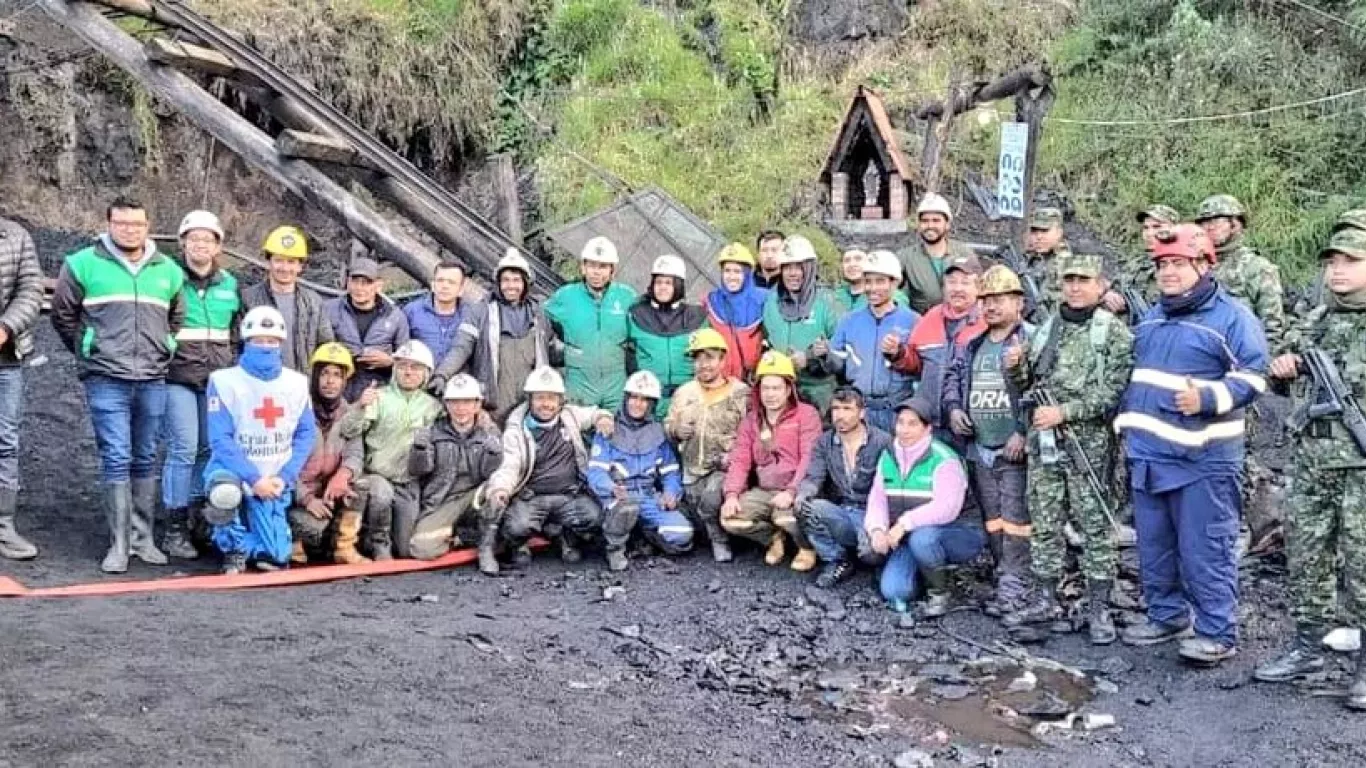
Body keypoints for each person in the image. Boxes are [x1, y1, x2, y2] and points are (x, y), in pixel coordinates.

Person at [1114, 224, 1268, 665]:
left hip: (1203, 461)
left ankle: (1217, 632)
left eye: (1178, 264)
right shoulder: (1152, 318)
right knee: (1154, 546)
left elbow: (1254, 376)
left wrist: (1207, 398)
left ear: (1204, 265)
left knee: (1205, 549)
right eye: (1162, 265)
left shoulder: (1232, 318)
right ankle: (1167, 616)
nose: (1168, 272)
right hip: (1149, 457)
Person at [1255, 228, 1366, 710]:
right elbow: (1281, 383)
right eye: (1332, 262)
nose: (1337, 270)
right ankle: (1307, 647)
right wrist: (1284, 369)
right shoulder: (1317, 318)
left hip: (1359, 464)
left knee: (1362, 564)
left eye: (1350, 261)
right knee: (1306, 556)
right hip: (1312, 460)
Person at [1003, 254, 1134, 645]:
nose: (1075, 288)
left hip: (1089, 447)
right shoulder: (1047, 328)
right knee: (1045, 521)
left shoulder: (1113, 333)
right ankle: (1045, 599)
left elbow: (1113, 393)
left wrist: (1064, 412)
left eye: (1084, 280)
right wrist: (1015, 366)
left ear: (1100, 285)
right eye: (1069, 280)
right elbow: (1028, 384)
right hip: (1044, 445)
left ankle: (1099, 608)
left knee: (1096, 527)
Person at [51, 196, 186, 573]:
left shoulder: (168, 270)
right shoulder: (82, 264)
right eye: (122, 223)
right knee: (116, 455)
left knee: (145, 455)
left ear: (148, 226)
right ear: (109, 224)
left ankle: (143, 539)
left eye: (137, 224)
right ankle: (119, 545)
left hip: (152, 377)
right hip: (106, 378)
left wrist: (165, 346)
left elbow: (176, 317)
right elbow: (62, 314)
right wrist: (88, 349)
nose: (130, 230)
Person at [1194, 194, 1287, 552]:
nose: (1208, 228)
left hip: (1240, 375)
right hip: (1200, 374)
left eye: (1216, 221)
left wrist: (1258, 375)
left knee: (1239, 454)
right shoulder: (1199, 265)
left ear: (1236, 224)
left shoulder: (1257, 269)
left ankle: (1246, 524)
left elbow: (1272, 327)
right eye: (1204, 222)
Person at [941, 265, 1032, 618]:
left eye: (1000, 299)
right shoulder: (973, 344)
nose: (991, 306)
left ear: (1018, 302)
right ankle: (1002, 573)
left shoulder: (1030, 341)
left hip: (1013, 449)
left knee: (1016, 519)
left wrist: (1022, 431)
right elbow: (953, 378)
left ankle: (1016, 585)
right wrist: (953, 409)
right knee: (992, 518)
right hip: (980, 446)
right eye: (987, 300)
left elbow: (1040, 390)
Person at [201, 307, 315, 573]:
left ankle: (245, 540)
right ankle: (231, 547)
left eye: (272, 341)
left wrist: (284, 476)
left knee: (276, 556)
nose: (265, 346)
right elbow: (220, 439)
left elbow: (306, 434)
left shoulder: (297, 383)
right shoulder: (223, 381)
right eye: (258, 340)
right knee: (226, 494)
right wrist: (253, 479)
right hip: (232, 470)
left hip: (275, 476)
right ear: (246, 341)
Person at [160, 210, 242, 560]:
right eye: (194, 238)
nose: (201, 245)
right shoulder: (169, 278)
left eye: (208, 239)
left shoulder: (230, 284)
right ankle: (174, 527)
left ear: (218, 245)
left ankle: (199, 519)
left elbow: (235, 332)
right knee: (183, 448)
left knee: (208, 449)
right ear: (183, 243)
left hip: (216, 382)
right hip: (177, 377)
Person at [486, 367, 613, 567]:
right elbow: (509, 465)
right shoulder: (517, 429)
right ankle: (519, 544)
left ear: (560, 401)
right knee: (516, 526)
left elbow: (595, 413)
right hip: (531, 497)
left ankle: (566, 536)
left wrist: (603, 418)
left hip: (568, 495)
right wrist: (500, 488)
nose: (546, 404)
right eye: (540, 398)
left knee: (595, 516)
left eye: (551, 398)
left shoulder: (570, 416)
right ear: (530, 400)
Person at [866, 396, 980, 618]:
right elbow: (877, 499)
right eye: (901, 422)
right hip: (909, 536)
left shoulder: (944, 458)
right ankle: (925, 572)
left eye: (913, 424)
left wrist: (904, 523)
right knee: (894, 591)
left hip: (958, 532)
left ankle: (940, 593)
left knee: (924, 539)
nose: (904, 430)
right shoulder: (888, 455)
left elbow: (947, 508)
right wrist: (877, 529)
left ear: (927, 428)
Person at [720, 351, 822, 570]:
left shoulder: (806, 415)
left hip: (796, 489)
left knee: (788, 518)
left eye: (776, 388)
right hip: (765, 490)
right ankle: (773, 538)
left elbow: (809, 458)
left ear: (788, 389)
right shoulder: (752, 421)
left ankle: (806, 547)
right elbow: (740, 461)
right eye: (765, 388)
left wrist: (792, 491)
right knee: (730, 520)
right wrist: (731, 495)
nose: (770, 394)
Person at [340, 340, 442, 560]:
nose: (408, 372)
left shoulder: (433, 407)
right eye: (402, 366)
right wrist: (360, 406)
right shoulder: (379, 397)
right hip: (376, 474)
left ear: (426, 373)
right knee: (382, 496)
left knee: (406, 549)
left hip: (408, 481)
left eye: (415, 367)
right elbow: (348, 430)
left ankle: (386, 540)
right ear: (395, 369)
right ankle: (378, 543)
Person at [664, 328, 750, 563]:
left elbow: (751, 434)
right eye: (698, 359)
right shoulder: (684, 393)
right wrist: (675, 429)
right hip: (692, 470)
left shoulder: (740, 393)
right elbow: (668, 425)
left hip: (725, 468)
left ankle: (720, 541)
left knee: (712, 499)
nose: (703, 365)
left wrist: (734, 456)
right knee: (691, 511)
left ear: (723, 360)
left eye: (709, 357)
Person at [587, 371, 687, 571]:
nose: (638, 404)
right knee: (625, 510)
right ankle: (615, 549)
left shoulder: (658, 432)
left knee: (681, 534)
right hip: (617, 496)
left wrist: (671, 492)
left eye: (644, 399)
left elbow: (671, 472)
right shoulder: (609, 428)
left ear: (652, 404)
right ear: (626, 398)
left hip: (648, 496)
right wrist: (611, 488)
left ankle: (643, 537)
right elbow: (596, 473)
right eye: (634, 397)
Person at [886, 253, 987, 450]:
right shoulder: (931, 318)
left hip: (972, 425)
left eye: (965, 282)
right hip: (932, 422)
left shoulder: (987, 321)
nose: (957, 288)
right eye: (952, 282)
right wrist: (897, 353)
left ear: (979, 287)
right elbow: (916, 364)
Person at [797, 386, 893, 587]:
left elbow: (891, 488)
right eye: (836, 409)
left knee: (871, 556)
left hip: (873, 513)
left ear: (862, 412)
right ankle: (837, 560)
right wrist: (804, 494)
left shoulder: (882, 441)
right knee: (806, 506)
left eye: (847, 409)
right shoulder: (825, 442)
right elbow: (814, 477)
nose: (840, 415)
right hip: (844, 509)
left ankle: (874, 556)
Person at [408, 374, 504, 572]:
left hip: (476, 495)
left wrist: (494, 455)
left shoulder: (489, 432)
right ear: (446, 405)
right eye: (454, 402)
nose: (461, 408)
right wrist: (419, 450)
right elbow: (418, 471)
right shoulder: (433, 432)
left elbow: (492, 473)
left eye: (467, 402)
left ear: (477, 405)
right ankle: (460, 537)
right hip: (443, 499)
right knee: (422, 548)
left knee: (497, 498)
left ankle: (486, 549)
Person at [444, 249, 550, 424]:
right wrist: (443, 374)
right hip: (493, 406)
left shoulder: (539, 313)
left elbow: (552, 347)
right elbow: (461, 348)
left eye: (516, 280)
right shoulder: (480, 311)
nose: (511, 286)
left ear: (525, 283)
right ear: (498, 283)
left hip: (530, 402)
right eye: (505, 280)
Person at [287, 342, 369, 566]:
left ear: (345, 381)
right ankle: (294, 542)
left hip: (329, 491)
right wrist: (306, 499)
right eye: (324, 373)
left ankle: (344, 547)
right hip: (296, 494)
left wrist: (343, 475)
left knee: (361, 485)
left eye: (337, 375)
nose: (330, 381)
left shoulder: (349, 413)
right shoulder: (296, 410)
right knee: (312, 528)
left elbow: (355, 454)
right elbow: (279, 464)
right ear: (314, 376)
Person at [825, 250, 919, 431]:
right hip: (860, 409)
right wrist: (826, 356)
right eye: (868, 281)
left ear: (894, 283)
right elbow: (837, 366)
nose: (872, 288)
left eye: (880, 281)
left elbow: (920, 368)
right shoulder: (849, 321)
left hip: (898, 410)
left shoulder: (913, 321)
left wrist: (899, 353)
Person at [546, 236, 637, 411]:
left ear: (612, 270)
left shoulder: (627, 297)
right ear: (583, 267)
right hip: (579, 383)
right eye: (592, 265)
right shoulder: (566, 296)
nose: (596, 272)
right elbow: (541, 320)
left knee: (617, 425)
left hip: (616, 385)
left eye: (603, 266)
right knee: (577, 425)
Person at [0, 215, 44, 560]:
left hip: (5, 359)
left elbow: (30, 290)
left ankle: (3, 527)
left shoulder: (15, 236)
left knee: (5, 442)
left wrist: (5, 328)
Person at [761, 235, 841, 412]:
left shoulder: (827, 301)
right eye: (787, 267)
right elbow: (764, 339)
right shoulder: (771, 301)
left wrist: (811, 358)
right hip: (781, 391)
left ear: (810, 268)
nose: (792, 273)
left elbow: (843, 353)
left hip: (819, 393)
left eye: (799, 267)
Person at [241, 225, 334, 372]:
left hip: (301, 382)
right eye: (279, 260)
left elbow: (326, 346)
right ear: (268, 262)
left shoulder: (314, 302)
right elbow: (236, 345)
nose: (285, 268)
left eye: (291, 262)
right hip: (257, 380)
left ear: (300, 266)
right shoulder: (248, 299)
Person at [627, 255, 707, 416]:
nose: (662, 287)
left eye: (668, 283)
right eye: (658, 282)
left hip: (687, 400)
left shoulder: (697, 317)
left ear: (678, 285)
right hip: (648, 400)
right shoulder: (637, 314)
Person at [326, 257, 410, 400]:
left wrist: (390, 362)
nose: (359, 288)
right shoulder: (329, 310)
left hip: (379, 392)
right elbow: (317, 348)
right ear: (347, 282)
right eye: (355, 281)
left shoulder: (395, 316)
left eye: (366, 283)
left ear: (379, 285)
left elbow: (407, 358)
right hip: (337, 390)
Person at [897, 193, 979, 314]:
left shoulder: (963, 253)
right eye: (925, 221)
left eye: (936, 221)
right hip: (923, 320)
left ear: (947, 224)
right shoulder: (906, 257)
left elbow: (979, 289)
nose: (930, 226)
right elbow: (890, 290)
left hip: (961, 318)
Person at [405, 263, 481, 394]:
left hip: (460, 391)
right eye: (440, 280)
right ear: (433, 284)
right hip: (419, 389)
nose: (445, 286)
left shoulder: (472, 315)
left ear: (461, 289)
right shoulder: (412, 311)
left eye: (451, 282)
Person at [702, 243, 768, 382]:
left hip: (753, 381)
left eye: (737, 271)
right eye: (727, 271)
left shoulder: (764, 301)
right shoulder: (710, 302)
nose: (731, 276)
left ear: (747, 274)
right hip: (719, 381)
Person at [1104, 204, 1179, 320]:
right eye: (1146, 228)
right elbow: (1116, 287)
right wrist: (1109, 296)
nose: (1149, 234)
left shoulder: (1183, 266)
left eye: (1157, 227)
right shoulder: (1136, 263)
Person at [1022, 206, 1073, 317]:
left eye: (1045, 231)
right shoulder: (1033, 260)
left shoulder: (1067, 264)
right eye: (1034, 231)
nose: (1038, 237)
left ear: (1059, 232)